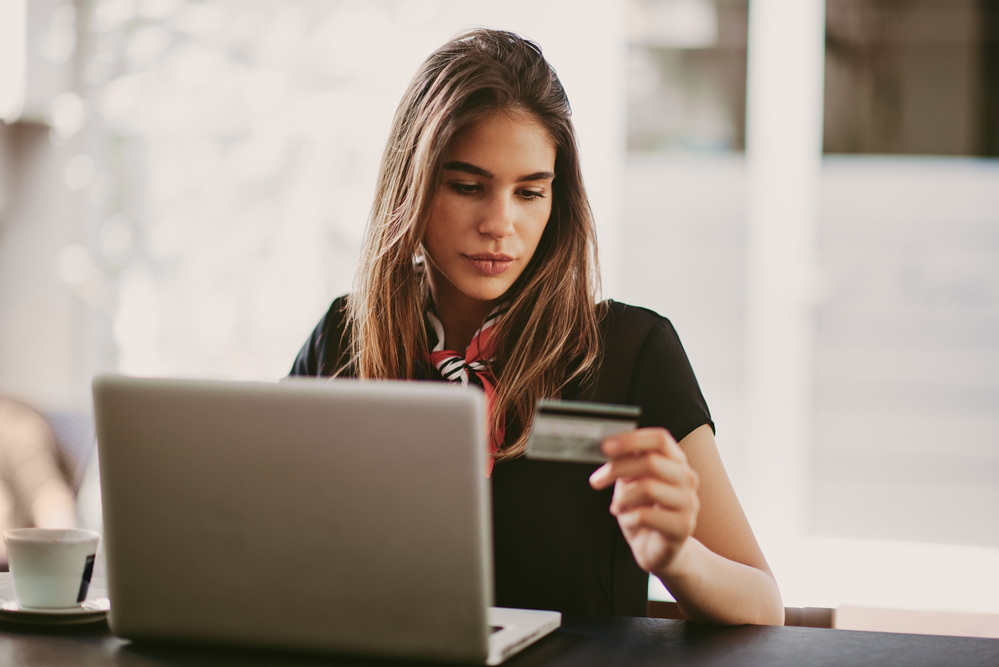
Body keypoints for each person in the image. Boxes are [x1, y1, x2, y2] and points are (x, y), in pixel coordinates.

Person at [291, 29, 783, 625]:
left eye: (529, 193)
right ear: (411, 186)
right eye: (468, 187)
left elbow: (763, 609)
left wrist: (677, 557)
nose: (500, 224)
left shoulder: (629, 354)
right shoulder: (344, 339)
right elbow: (272, 552)